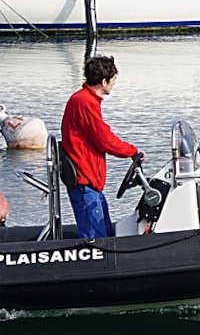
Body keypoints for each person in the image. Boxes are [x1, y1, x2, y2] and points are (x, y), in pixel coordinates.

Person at [60, 54, 143, 239]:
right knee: (95, 238)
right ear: (104, 81)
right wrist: (133, 151)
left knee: (104, 230)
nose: (114, 83)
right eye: (113, 79)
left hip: (90, 182)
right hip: (84, 180)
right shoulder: (85, 103)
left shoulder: (84, 100)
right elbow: (104, 139)